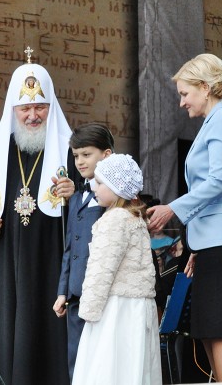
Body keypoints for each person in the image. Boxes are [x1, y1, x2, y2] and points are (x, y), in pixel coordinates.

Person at [0, 60, 75, 385]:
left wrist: (74, 193)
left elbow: (92, 204)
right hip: (5, 269)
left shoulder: (69, 155)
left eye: (40, 107)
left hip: (50, 265)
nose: (33, 115)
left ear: (51, 108)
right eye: (25, 108)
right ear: (13, 109)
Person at [147, 53, 222, 382]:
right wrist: (196, 244)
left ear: (205, 87)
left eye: (184, 93)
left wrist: (173, 209)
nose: (182, 102)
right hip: (214, 240)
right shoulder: (216, 121)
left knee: (221, 326)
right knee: (210, 326)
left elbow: (219, 180)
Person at [72, 153, 161, 384]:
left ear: (117, 188)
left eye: (100, 183)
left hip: (116, 309)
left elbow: (101, 270)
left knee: (109, 366)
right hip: (138, 307)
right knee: (133, 366)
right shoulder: (134, 218)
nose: (94, 187)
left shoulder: (113, 220)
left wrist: (88, 311)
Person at [53, 123, 114, 381]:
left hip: (104, 294)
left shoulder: (115, 198)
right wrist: (62, 291)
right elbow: (70, 249)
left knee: (102, 361)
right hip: (76, 295)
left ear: (106, 154)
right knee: (76, 361)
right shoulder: (77, 198)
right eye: (76, 155)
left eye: (86, 154)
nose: (79, 162)